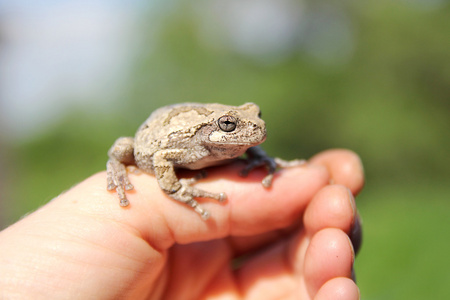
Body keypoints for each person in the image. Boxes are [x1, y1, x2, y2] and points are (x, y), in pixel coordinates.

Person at [0, 149, 363, 300]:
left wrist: (262, 159)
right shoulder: (189, 147)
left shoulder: (226, 142)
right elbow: (157, 155)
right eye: (229, 126)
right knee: (123, 148)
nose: (256, 127)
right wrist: (178, 189)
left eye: (256, 117)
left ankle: (263, 159)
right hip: (160, 141)